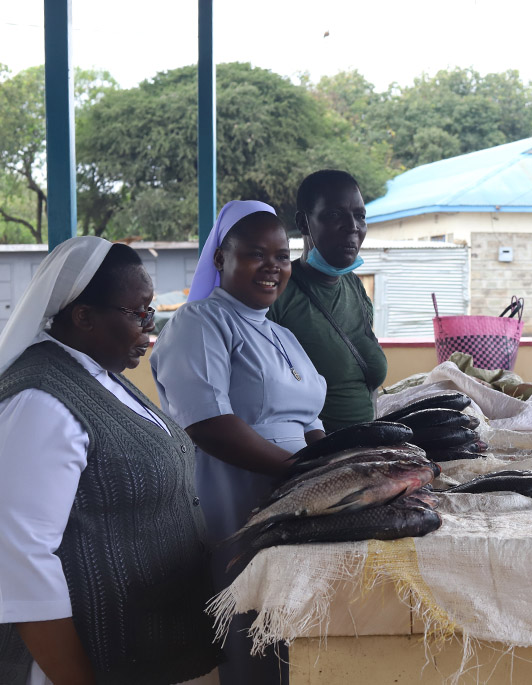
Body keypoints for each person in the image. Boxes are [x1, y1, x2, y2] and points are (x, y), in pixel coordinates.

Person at [0, 237, 220, 685]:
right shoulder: (42, 400)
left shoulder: (100, 374)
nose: (149, 325)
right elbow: (20, 556)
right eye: (138, 312)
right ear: (83, 317)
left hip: (151, 649)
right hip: (91, 659)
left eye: (151, 311)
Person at [150, 201, 327, 685]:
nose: (273, 266)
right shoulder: (200, 323)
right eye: (255, 253)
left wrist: (331, 469)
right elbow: (208, 423)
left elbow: (310, 418)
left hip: (295, 496)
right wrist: (301, 471)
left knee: (294, 621)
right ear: (219, 260)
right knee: (247, 616)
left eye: (282, 255)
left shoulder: (283, 334)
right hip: (234, 493)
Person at [268, 170, 388, 432]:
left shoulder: (354, 286)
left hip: (365, 455)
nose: (352, 226)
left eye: (360, 216)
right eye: (335, 215)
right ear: (303, 223)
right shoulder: (276, 294)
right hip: (314, 460)